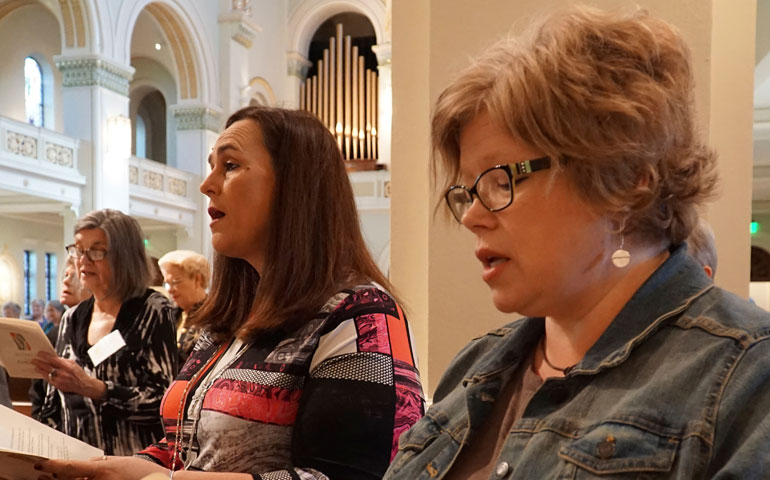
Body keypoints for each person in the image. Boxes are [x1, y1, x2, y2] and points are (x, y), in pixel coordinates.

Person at [385, 6, 770, 479]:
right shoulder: (477, 364)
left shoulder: (746, 374)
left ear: (626, 180)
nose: (471, 216)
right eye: (467, 190)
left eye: (502, 180)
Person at [39, 106, 424, 479]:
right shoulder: (229, 321)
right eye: (211, 166)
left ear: (295, 186)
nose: (206, 184)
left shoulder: (361, 316)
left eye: (231, 165)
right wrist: (118, 466)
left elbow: (351, 476)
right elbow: (186, 447)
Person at [32, 209, 178, 456]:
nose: (83, 260)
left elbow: (162, 403)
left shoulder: (153, 311)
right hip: (75, 464)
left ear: (125, 257)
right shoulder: (71, 318)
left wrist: (96, 389)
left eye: (97, 251)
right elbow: (52, 403)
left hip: (130, 464)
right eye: (78, 250)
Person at [29, 257, 93, 418]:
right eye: (65, 275)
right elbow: (39, 388)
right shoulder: (55, 333)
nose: (66, 282)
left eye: (74, 277)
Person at [158, 250, 209, 364]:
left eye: (175, 282)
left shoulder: (213, 315)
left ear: (197, 279)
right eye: (167, 283)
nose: (169, 289)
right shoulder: (168, 315)